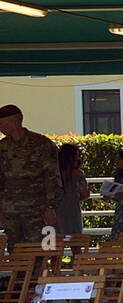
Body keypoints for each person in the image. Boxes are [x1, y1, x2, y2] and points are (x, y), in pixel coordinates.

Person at [0, 104, 60, 244]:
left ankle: (42, 267)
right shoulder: (2, 147)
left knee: (41, 248)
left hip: (38, 211)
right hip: (10, 212)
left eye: (1, 124)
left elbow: (52, 177)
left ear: (12, 122)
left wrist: (51, 207)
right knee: (15, 252)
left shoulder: (42, 144)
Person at [55, 144, 89, 236]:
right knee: (75, 241)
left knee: (57, 242)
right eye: (76, 155)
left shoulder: (54, 172)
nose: (78, 158)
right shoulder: (78, 174)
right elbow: (85, 196)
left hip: (60, 210)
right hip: (71, 211)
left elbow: (85, 195)